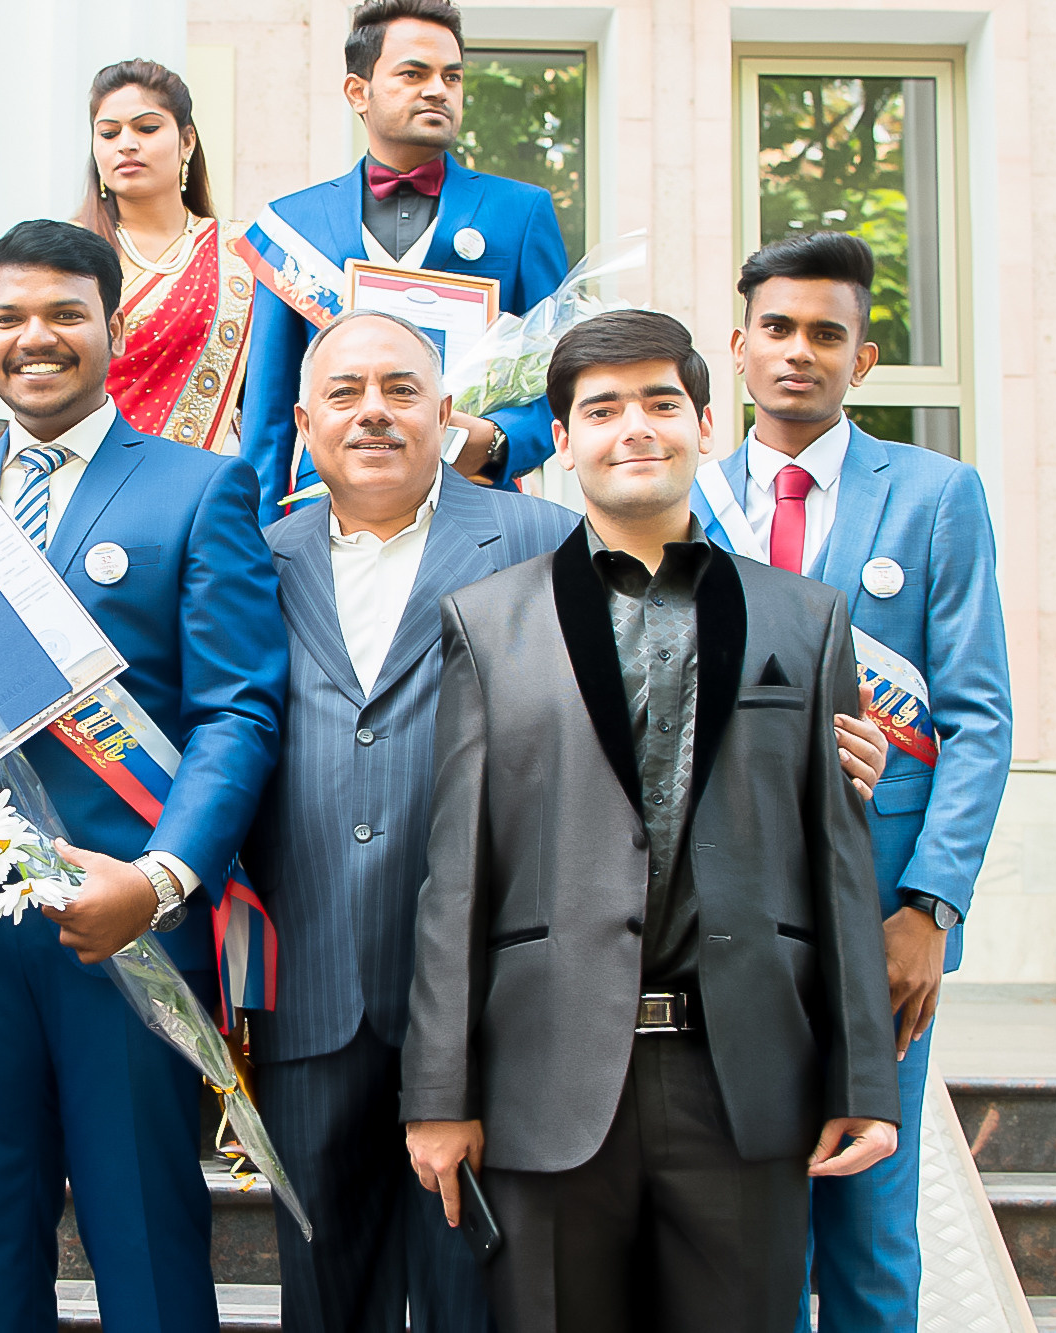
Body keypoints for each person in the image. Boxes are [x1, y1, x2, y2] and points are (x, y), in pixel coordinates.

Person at [402, 309, 902, 1332]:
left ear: (704, 425)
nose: (633, 426)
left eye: (659, 402)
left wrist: (865, 1075)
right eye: (600, 408)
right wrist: (438, 1092)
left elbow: (836, 861)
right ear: (564, 441)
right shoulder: (485, 623)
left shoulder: (804, 621)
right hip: (547, 1073)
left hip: (742, 1073)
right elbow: (456, 874)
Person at [0, 219, 286, 1332]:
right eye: (7, 317)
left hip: (128, 924)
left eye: (63, 314)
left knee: (143, 1242)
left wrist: (158, 879)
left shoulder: (201, 490)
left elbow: (234, 710)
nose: (33, 338)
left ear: (112, 327)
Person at [694, 231, 1013, 1332]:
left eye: (824, 333)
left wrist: (928, 906)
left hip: (876, 916)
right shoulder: (682, 500)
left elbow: (975, 718)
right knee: (748, 1221)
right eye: (774, 329)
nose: (797, 352)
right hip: (714, 922)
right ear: (736, 347)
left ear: (861, 359)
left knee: (870, 1228)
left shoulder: (933, 497)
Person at [243, 308, 576, 1333]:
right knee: (323, 1295)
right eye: (343, 394)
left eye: (398, 391)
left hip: (482, 1002)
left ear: (444, 412)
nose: (372, 413)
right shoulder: (257, 557)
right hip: (308, 994)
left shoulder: (540, 538)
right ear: (302, 422)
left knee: (470, 1298)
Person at [239, 0, 569, 520]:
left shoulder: (522, 213)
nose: (438, 90)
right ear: (358, 92)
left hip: (476, 500)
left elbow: (564, 375)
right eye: (413, 73)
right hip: (322, 508)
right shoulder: (293, 224)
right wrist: (259, 543)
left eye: (452, 77)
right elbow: (269, 413)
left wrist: (502, 441)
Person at [74, 58, 254, 453]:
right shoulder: (69, 255)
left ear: (187, 140)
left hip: (213, 473)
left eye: (147, 128)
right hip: (97, 472)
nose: (126, 144)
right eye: (108, 133)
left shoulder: (243, 251)